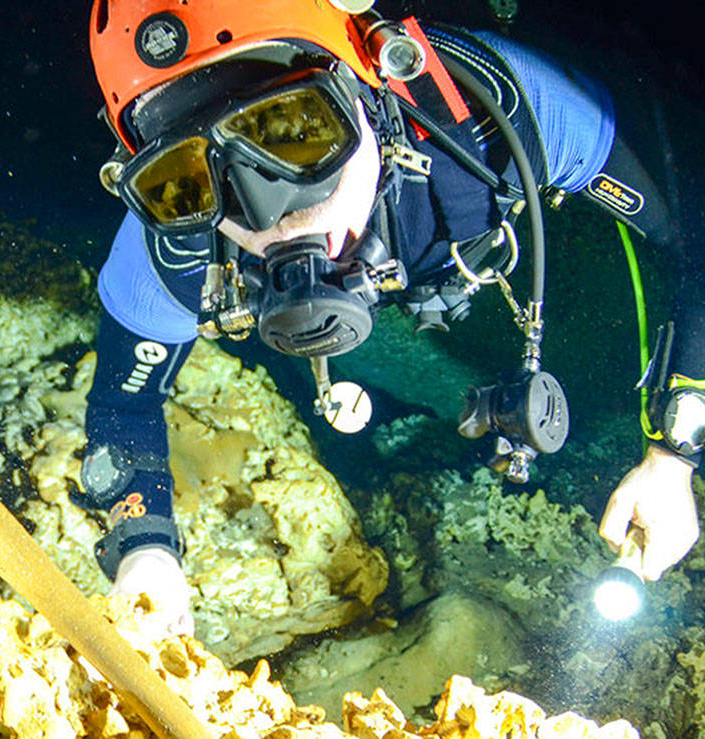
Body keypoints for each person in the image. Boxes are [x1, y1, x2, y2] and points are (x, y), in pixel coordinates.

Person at [80, 0, 703, 635]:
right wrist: (144, 548)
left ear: (364, 82)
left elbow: (693, 238)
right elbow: (123, 409)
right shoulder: (178, 241)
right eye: (188, 178)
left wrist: (674, 453)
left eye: (295, 130)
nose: (271, 215)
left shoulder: (493, 115)